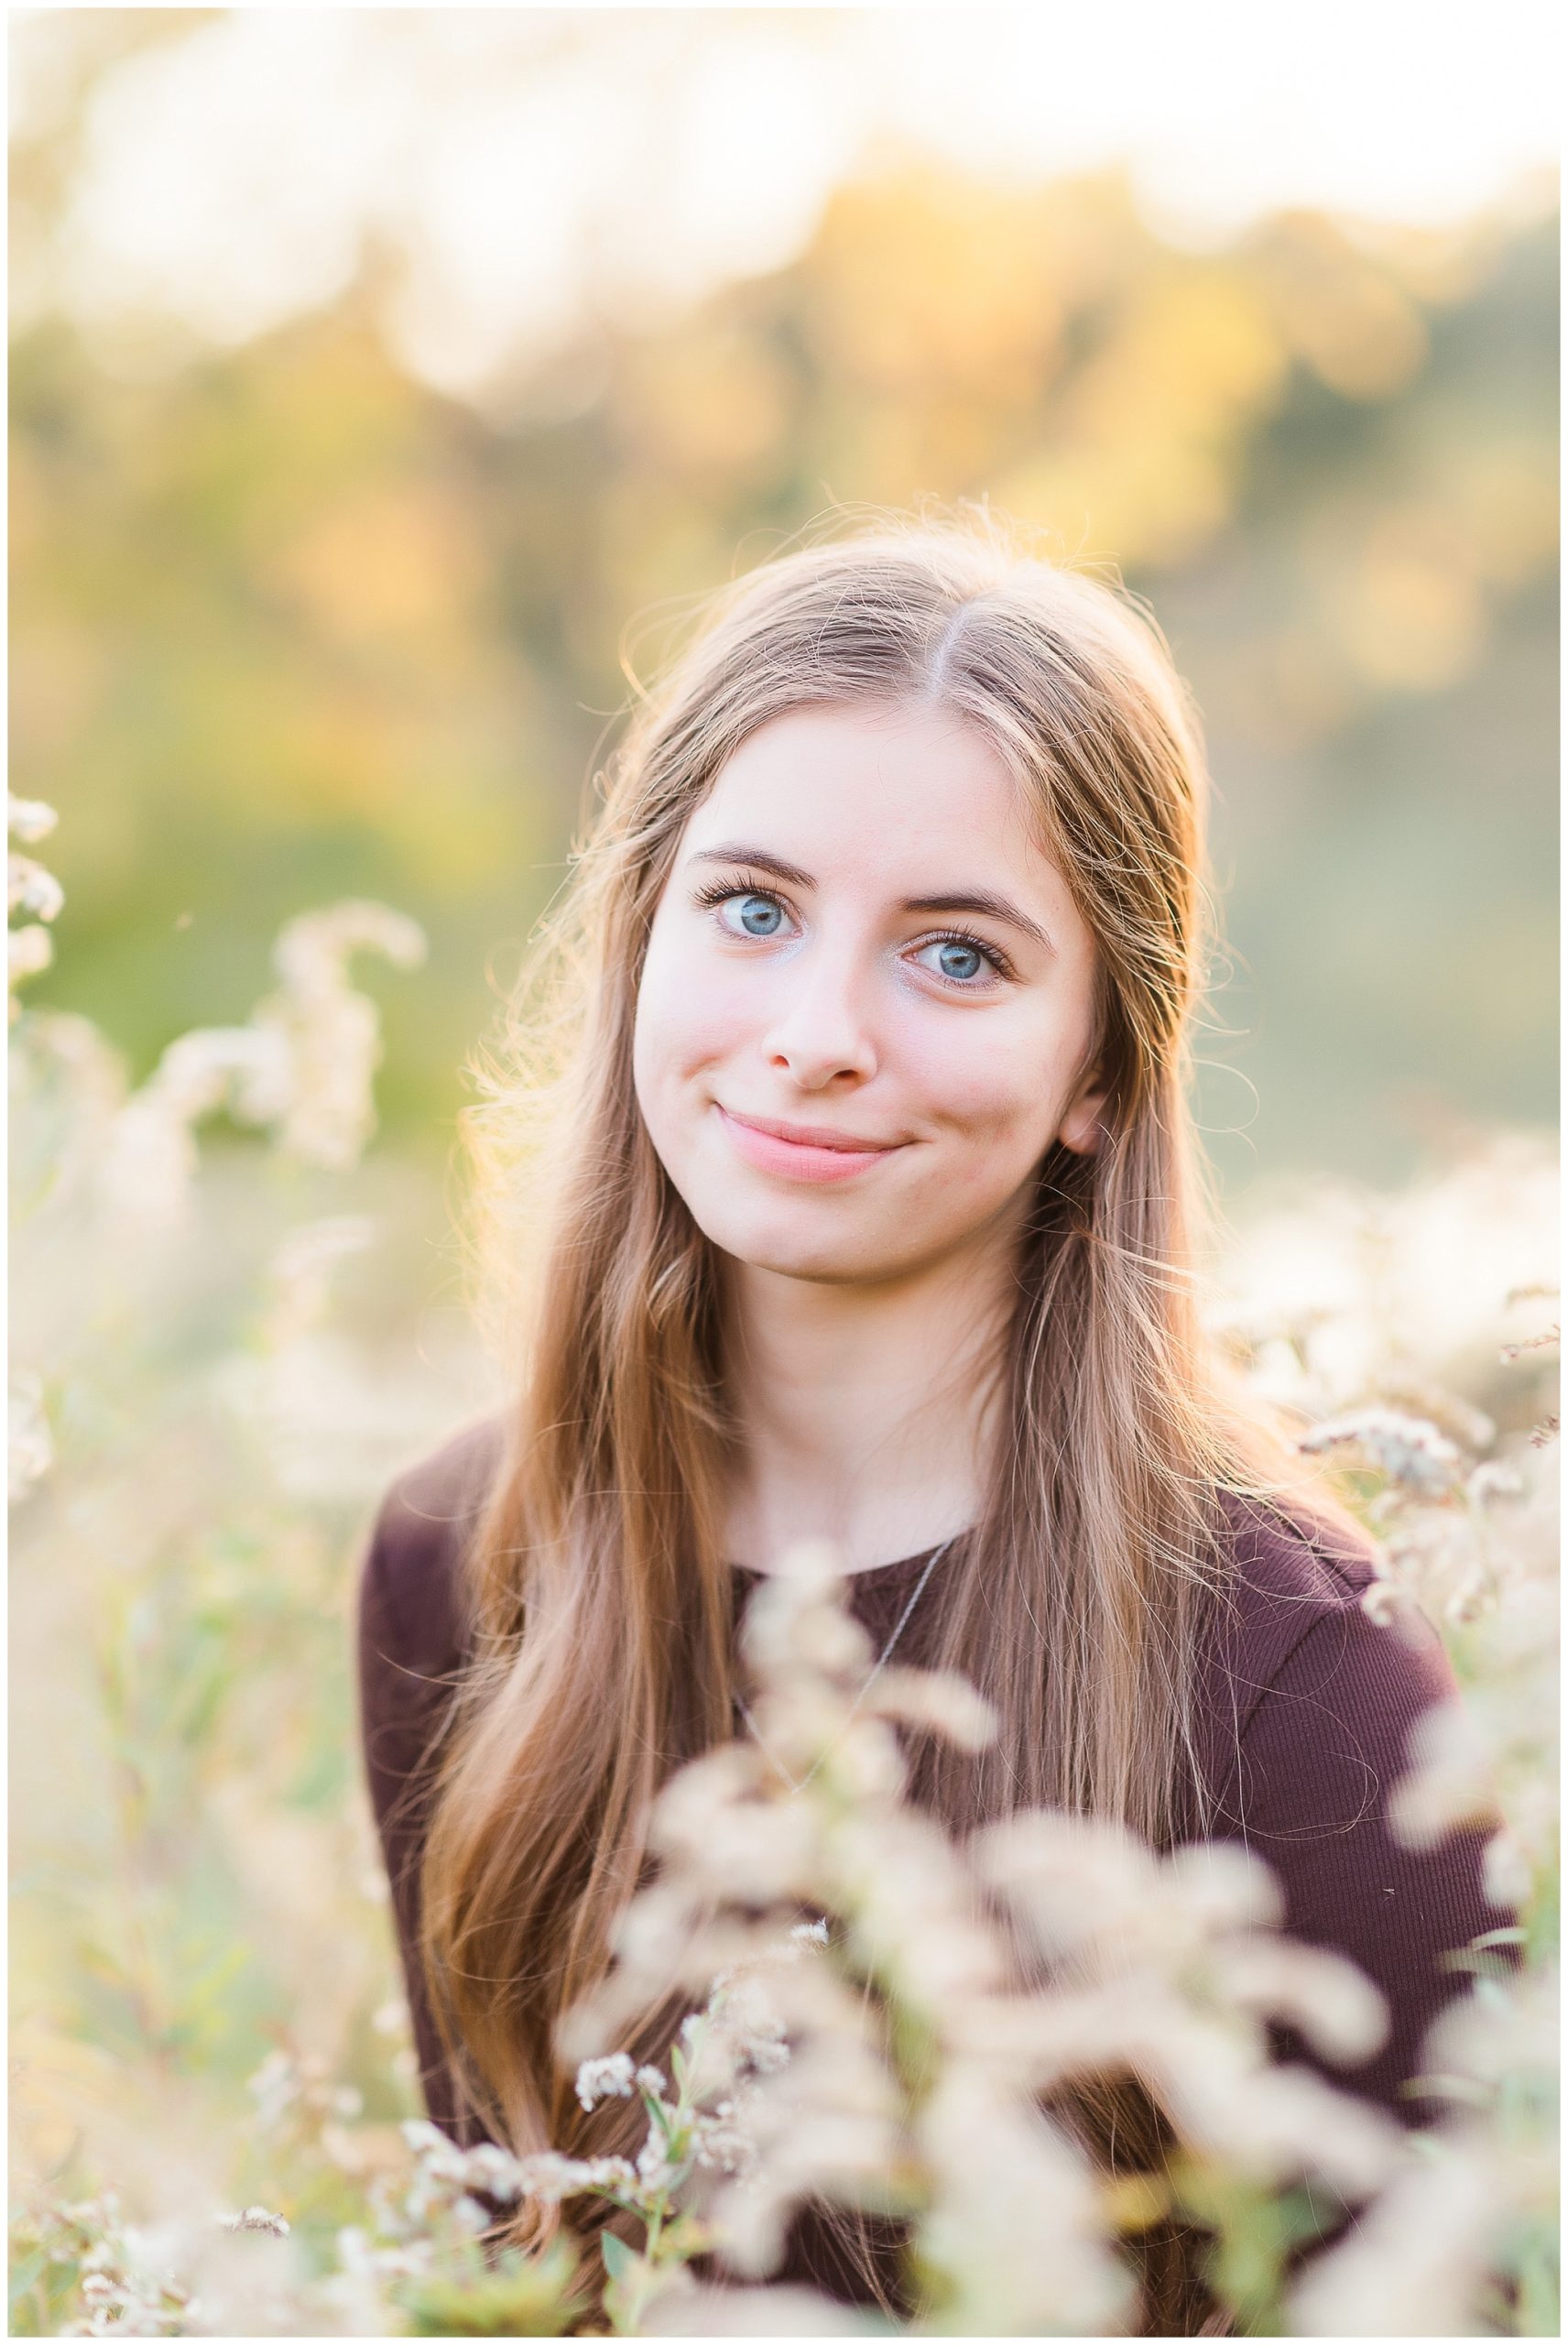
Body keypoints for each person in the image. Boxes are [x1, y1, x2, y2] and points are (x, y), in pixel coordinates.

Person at [356, 514, 1506, 2333]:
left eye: (955, 955)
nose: (814, 1032)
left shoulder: (1307, 1691)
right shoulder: (463, 1559)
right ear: (637, 944)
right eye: (751, 908)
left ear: (1102, 1072)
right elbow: (524, 2276)